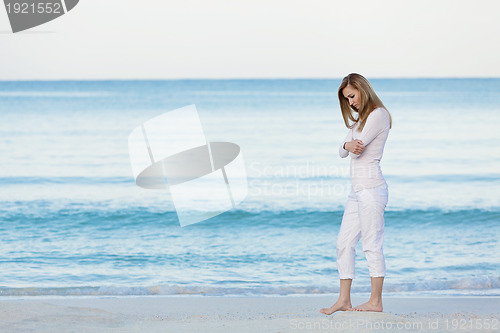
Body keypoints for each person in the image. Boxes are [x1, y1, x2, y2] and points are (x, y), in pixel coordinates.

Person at [320, 73, 392, 314]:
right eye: (347, 99)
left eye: (352, 96)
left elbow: (356, 151)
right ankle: (344, 300)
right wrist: (346, 145)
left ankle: (375, 302)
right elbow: (342, 151)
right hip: (357, 192)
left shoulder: (378, 115)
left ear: (362, 89)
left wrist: (349, 146)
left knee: (372, 245)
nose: (350, 102)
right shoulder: (358, 121)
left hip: (372, 190)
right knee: (343, 243)